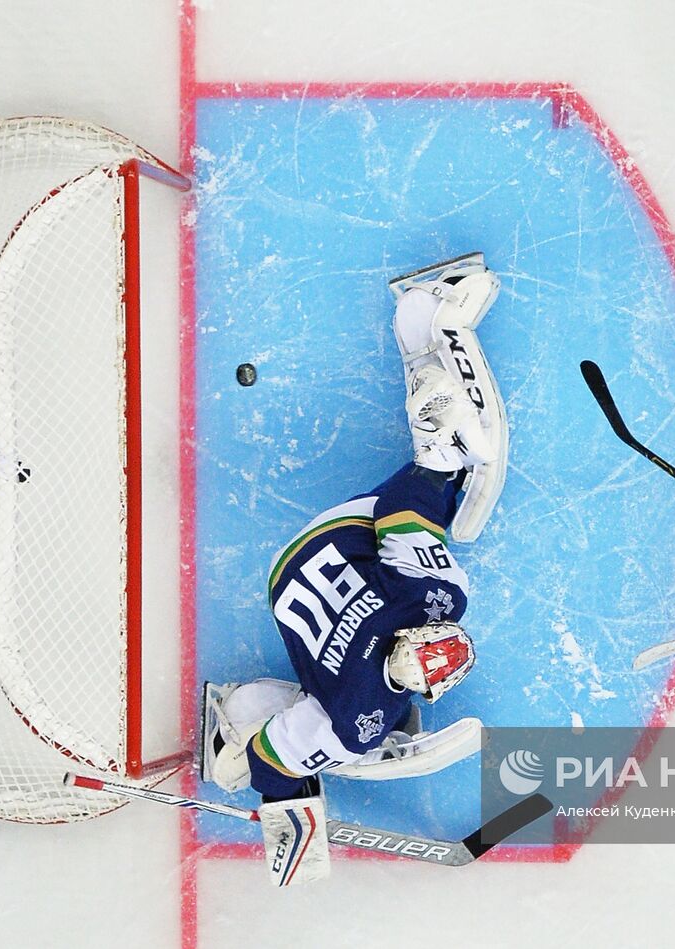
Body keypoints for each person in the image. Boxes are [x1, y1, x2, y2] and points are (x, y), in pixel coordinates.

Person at [199, 253, 507, 884]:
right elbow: (279, 761)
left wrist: (437, 470)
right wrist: (282, 804)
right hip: (288, 579)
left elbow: (400, 513)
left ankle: (440, 437)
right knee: (305, 736)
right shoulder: (422, 614)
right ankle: (236, 731)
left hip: (333, 542)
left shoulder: (435, 603)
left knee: (321, 739)